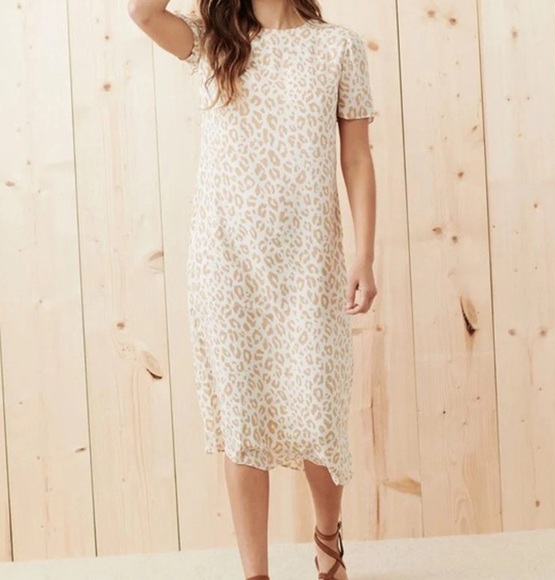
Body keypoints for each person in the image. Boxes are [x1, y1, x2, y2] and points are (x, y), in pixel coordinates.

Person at [129, 1, 377, 578]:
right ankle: (255, 574)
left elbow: (358, 158)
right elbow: (142, 13)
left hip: (310, 261)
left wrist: (364, 254)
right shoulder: (210, 42)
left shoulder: (337, 47)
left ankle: (328, 538)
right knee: (242, 418)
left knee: (319, 410)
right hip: (226, 262)